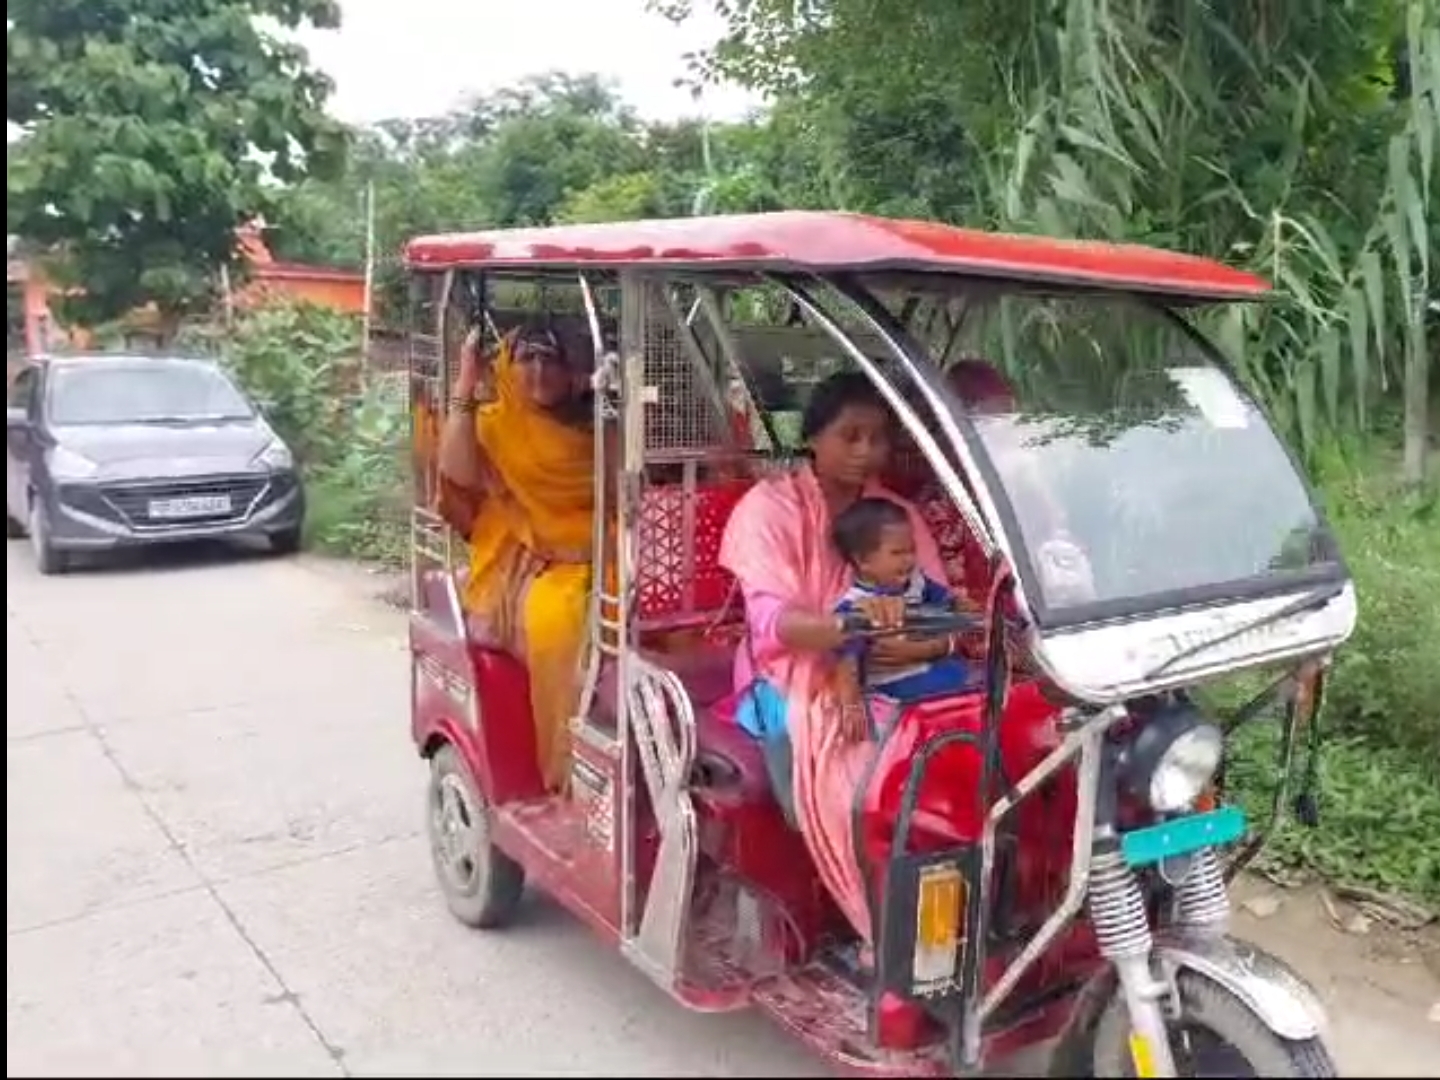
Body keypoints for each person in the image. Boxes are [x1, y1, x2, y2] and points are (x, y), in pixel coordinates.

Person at [718, 371, 959, 947]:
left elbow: (941, 609)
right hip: (783, 678)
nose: (865, 451)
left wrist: (930, 642)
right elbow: (770, 622)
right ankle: (885, 930)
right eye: (850, 436)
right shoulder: (767, 509)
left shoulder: (895, 514)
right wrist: (846, 630)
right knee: (859, 789)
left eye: (877, 438)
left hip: (900, 667)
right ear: (813, 437)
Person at [436, 318, 605, 793]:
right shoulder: (494, 424)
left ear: (570, 369)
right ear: (508, 368)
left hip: (601, 550)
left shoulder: (596, 422)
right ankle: (571, 772)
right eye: (526, 359)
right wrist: (466, 383)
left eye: (550, 359)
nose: (539, 371)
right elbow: (457, 473)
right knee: (559, 621)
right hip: (526, 558)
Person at [830, 496, 973, 715]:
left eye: (911, 550)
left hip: (931, 665)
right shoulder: (856, 606)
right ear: (863, 561)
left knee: (972, 678)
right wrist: (849, 705)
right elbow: (847, 662)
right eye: (897, 553)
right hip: (895, 683)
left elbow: (945, 604)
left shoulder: (916, 582)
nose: (908, 560)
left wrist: (958, 606)